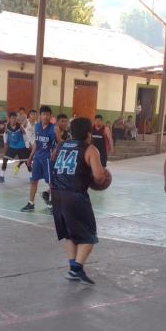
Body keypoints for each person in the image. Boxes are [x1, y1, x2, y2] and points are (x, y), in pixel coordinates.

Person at [51, 117, 108, 285]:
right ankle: (76, 269)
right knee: (89, 236)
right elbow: (98, 176)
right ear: (88, 133)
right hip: (74, 195)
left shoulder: (60, 145)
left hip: (56, 193)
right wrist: (102, 177)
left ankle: (73, 266)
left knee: (70, 233)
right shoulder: (90, 149)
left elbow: (54, 165)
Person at [21, 105, 56, 212]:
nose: (45, 116)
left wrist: (54, 155)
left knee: (51, 183)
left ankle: (53, 205)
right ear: (40, 116)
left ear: (50, 116)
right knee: (34, 181)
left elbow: (58, 144)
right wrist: (30, 157)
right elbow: (36, 142)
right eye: (43, 114)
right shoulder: (37, 127)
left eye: (47, 114)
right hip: (37, 158)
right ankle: (30, 203)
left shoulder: (53, 129)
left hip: (48, 159)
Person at [0, 112, 30, 183]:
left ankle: (32, 176)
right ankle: (1, 176)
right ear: (9, 119)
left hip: (22, 147)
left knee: (28, 163)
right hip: (12, 147)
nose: (14, 120)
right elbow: (5, 134)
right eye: (12, 118)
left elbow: (25, 136)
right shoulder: (7, 126)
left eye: (15, 118)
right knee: (5, 159)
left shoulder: (20, 126)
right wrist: (5, 144)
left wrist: (27, 147)